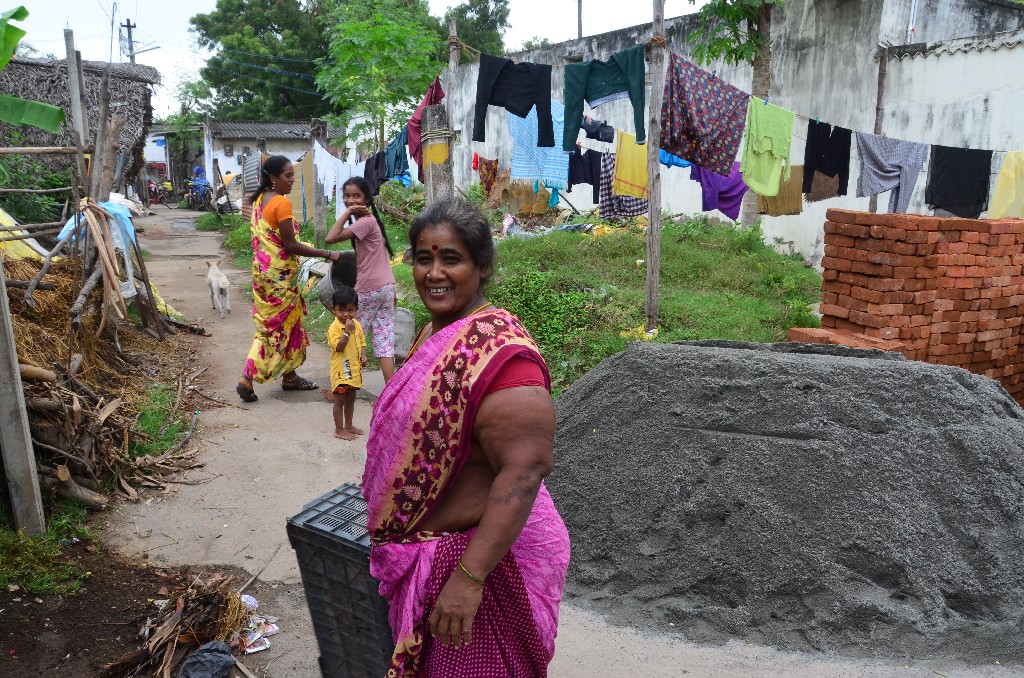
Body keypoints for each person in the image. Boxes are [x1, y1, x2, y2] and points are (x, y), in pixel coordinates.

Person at [363, 198, 570, 676]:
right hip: (431, 556)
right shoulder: (439, 335)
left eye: (450, 259)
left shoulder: (504, 360)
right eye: (423, 257)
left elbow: (525, 471)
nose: (434, 272)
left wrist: (469, 579)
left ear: (481, 267)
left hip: (482, 563)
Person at [236, 155, 343, 402]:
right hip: (280, 279)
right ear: (273, 178)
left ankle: (290, 377)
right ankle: (247, 377)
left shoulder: (259, 200)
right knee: (276, 330)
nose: (292, 180)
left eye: (293, 174)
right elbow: (291, 244)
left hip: (263, 276)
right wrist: (326, 254)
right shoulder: (281, 204)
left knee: (286, 324)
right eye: (288, 176)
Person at [325, 177, 397, 383]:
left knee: (349, 337)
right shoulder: (372, 221)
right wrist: (392, 288)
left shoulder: (365, 222)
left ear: (366, 198)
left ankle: (344, 385)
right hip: (385, 288)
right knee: (384, 344)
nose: (351, 200)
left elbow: (330, 238)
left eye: (356, 196)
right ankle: (391, 390)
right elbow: (381, 256)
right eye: (346, 196)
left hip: (368, 290)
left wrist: (347, 212)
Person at [327, 286, 367, 440]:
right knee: (339, 400)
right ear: (333, 309)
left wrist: (363, 356)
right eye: (341, 310)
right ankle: (338, 429)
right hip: (341, 371)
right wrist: (346, 332)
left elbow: (362, 342)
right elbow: (339, 347)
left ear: (356, 309)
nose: (346, 314)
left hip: (354, 370)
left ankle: (348, 425)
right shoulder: (335, 328)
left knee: (351, 399)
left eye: (350, 310)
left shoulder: (356, 324)